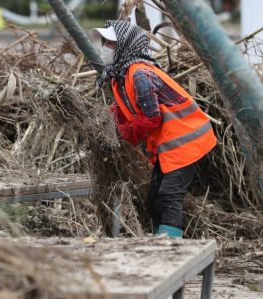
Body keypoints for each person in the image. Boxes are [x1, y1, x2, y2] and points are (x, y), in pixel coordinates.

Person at [93, 20, 217, 237]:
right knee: (154, 199)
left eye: (110, 43)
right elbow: (125, 106)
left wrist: (121, 135)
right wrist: (103, 119)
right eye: (104, 41)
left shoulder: (140, 74)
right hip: (171, 143)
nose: (104, 46)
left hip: (187, 139)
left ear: (125, 44)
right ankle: (162, 238)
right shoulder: (121, 75)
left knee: (168, 196)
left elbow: (151, 118)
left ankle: (170, 251)